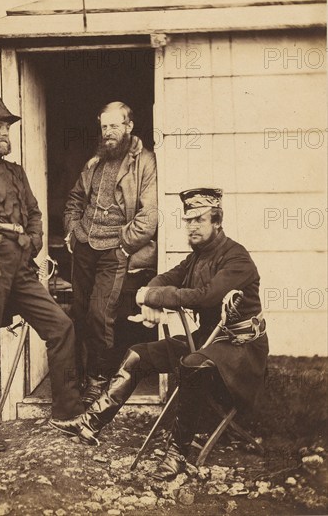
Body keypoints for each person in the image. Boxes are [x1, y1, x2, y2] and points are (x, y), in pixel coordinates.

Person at [52, 188, 269, 480]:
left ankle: (178, 453)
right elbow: (167, 278)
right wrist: (148, 295)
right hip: (206, 340)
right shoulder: (197, 257)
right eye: (187, 220)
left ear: (217, 221)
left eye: (199, 220)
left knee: (192, 364)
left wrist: (153, 296)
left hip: (240, 350)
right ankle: (90, 423)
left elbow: (205, 296)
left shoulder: (236, 258)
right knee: (138, 355)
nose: (191, 226)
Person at [0, 89, 84, 452]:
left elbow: (35, 213)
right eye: (0, 125)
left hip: (22, 268)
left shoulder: (17, 172)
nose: (6, 131)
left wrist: (34, 240)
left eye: (8, 126)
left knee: (61, 326)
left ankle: (66, 412)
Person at [63, 101, 158, 407]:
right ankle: (78, 377)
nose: (108, 133)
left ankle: (99, 380)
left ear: (129, 127)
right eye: (104, 126)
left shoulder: (145, 162)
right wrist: (73, 230)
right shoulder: (95, 163)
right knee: (77, 314)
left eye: (115, 125)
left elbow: (149, 217)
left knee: (99, 315)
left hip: (115, 250)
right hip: (85, 247)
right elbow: (75, 199)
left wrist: (123, 244)